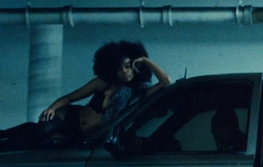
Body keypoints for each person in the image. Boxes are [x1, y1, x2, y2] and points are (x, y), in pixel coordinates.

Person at [0, 40, 170, 151]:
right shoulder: (103, 82)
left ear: (135, 66)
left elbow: (165, 81)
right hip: (68, 117)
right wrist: (52, 108)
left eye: (127, 66)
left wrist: (145, 60)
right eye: (119, 68)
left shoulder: (139, 94)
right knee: (40, 130)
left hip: (79, 135)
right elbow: (70, 98)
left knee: (35, 145)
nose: (124, 72)